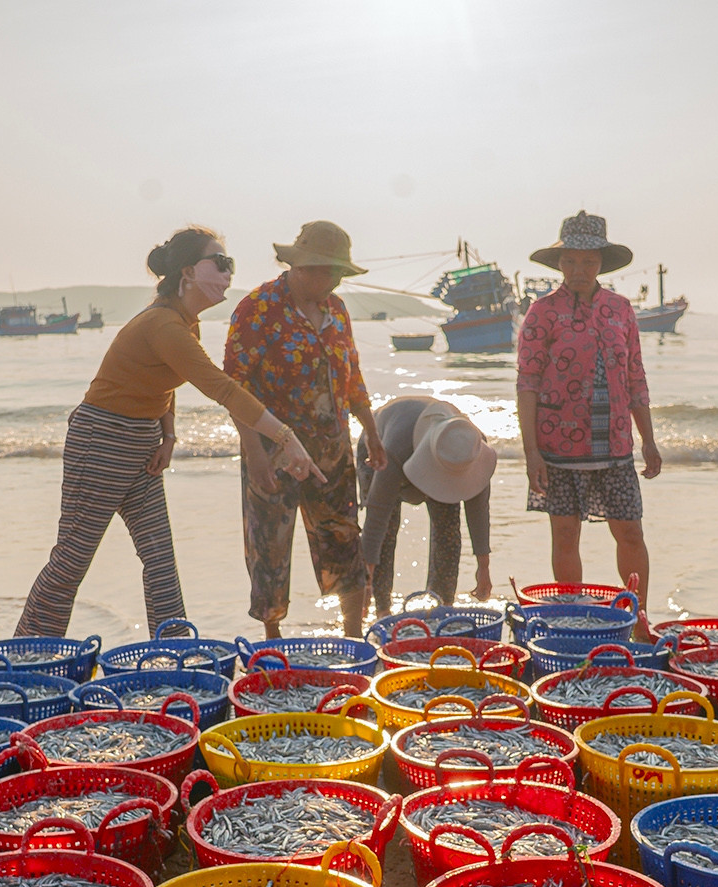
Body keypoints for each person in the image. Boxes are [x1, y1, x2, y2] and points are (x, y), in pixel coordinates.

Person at [16, 227, 321, 637]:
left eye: (231, 265)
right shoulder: (164, 325)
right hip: (102, 440)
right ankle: (29, 652)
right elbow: (222, 388)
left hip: (143, 445)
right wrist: (287, 437)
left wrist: (169, 437)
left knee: (159, 559)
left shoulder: (183, 323)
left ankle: (172, 652)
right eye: (222, 263)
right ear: (189, 272)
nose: (229, 273)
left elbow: (167, 380)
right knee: (73, 558)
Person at [224, 221, 383, 638]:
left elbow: (352, 376)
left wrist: (371, 431)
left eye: (335, 273)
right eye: (319, 271)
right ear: (297, 266)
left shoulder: (337, 310)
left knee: (344, 539)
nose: (327, 280)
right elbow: (233, 387)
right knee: (269, 548)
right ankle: (272, 637)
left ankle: (352, 634)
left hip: (332, 448)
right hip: (272, 452)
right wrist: (255, 454)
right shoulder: (258, 307)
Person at [515, 211, 662, 633]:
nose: (579, 270)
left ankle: (639, 621)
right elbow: (527, 382)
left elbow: (636, 376)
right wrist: (531, 453)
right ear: (560, 264)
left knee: (630, 533)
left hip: (615, 445)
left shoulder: (620, 310)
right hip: (557, 447)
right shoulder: (542, 312)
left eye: (588, 261)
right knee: (565, 536)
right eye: (571, 261)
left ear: (601, 263)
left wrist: (648, 439)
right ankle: (571, 622)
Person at [358, 397, 497, 614]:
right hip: (380, 444)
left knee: (448, 530)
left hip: (440, 456)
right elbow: (377, 518)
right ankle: (381, 609)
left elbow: (478, 510)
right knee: (385, 533)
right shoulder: (394, 448)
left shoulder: (469, 446)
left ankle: (441, 607)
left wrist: (484, 568)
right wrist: (366, 582)